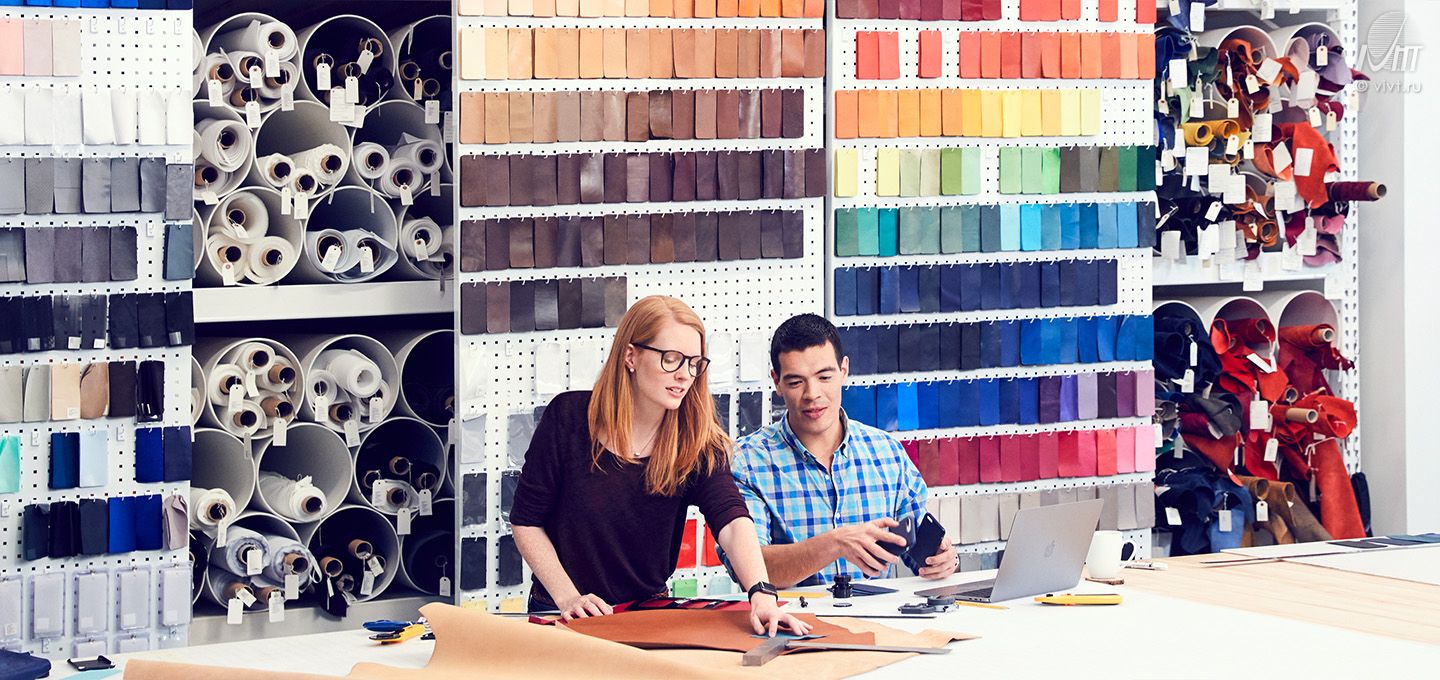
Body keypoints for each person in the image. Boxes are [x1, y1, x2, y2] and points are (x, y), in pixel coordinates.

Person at [509, 295, 809, 637]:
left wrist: (762, 593)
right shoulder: (569, 417)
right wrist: (569, 597)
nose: (684, 375)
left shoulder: (696, 438)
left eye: (694, 363)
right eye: (671, 359)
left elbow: (731, 520)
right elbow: (526, 521)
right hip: (561, 612)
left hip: (644, 614)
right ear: (631, 356)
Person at [724, 314, 958, 588]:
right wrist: (834, 543)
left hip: (876, 613)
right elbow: (748, 569)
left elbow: (919, 548)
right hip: (792, 615)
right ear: (776, 382)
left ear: (844, 370)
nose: (812, 394)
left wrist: (943, 560)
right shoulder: (747, 463)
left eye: (824, 377)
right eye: (796, 382)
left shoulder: (887, 453)